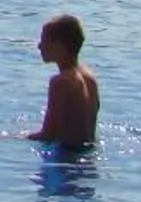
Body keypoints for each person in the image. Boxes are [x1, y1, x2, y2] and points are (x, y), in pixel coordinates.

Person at [28, 13, 101, 148]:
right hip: (89, 157)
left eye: (44, 40)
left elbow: (47, 136)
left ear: (59, 46)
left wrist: (4, 137)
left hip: (66, 159)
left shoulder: (61, 82)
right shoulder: (90, 77)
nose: (39, 46)